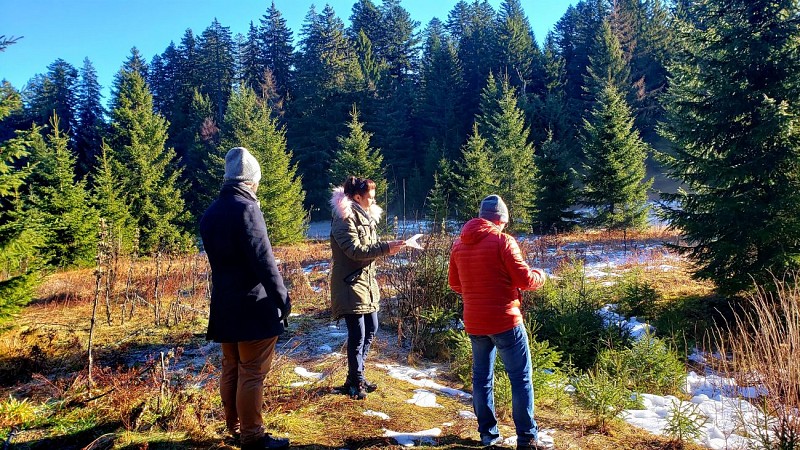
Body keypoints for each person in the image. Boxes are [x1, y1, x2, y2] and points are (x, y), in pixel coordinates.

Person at [199, 147, 291, 450]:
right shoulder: (247, 208)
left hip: (224, 304)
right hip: (252, 305)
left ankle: (235, 427)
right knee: (251, 371)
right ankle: (253, 436)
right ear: (251, 180)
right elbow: (264, 260)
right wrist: (282, 299)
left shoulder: (211, 212)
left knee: (231, 366)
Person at [448, 194, 548, 450]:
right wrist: (541, 275)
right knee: (521, 378)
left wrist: (477, 290)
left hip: (475, 322)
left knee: (482, 378)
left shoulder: (459, 245)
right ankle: (527, 438)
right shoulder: (503, 241)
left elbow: (455, 284)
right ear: (500, 219)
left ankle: (488, 436)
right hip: (505, 320)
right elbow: (525, 280)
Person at [329, 176, 405, 399]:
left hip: (365, 283)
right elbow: (355, 251)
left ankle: (355, 377)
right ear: (356, 197)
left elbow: (367, 249)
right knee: (358, 334)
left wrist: (386, 248)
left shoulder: (365, 217)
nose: (373, 200)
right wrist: (385, 248)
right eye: (369, 197)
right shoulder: (344, 218)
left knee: (372, 327)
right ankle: (357, 381)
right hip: (350, 285)